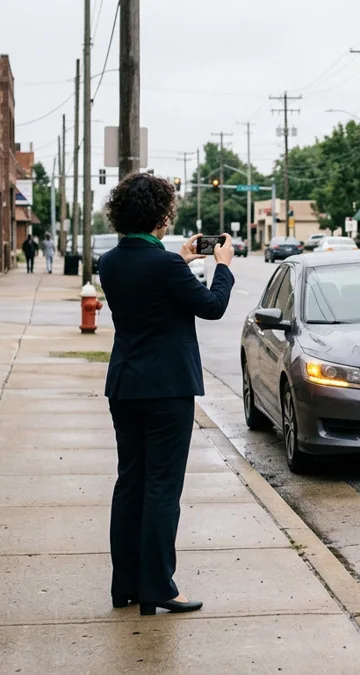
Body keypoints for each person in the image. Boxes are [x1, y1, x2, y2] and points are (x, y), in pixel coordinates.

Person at [98, 173, 235, 617]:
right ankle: (159, 586)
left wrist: (179, 257)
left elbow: (152, 285)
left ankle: (128, 586)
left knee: (131, 483)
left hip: (125, 385)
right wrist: (223, 267)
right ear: (161, 215)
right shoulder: (166, 267)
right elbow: (211, 307)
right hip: (167, 390)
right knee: (162, 487)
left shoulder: (110, 262)